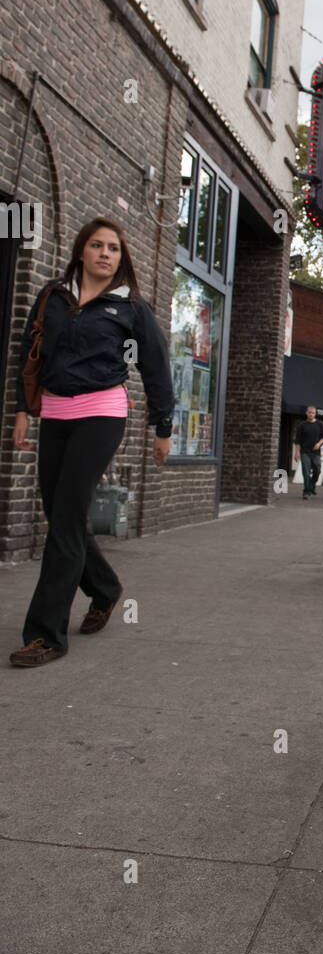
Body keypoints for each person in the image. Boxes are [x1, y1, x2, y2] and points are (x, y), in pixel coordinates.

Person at [10, 218, 174, 667]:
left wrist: (163, 428)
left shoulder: (130, 308)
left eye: (115, 248)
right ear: (81, 251)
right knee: (61, 512)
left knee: (64, 517)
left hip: (102, 414)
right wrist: (23, 410)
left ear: (122, 258)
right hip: (56, 414)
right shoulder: (53, 297)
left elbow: (156, 368)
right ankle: (104, 588)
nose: (106, 254)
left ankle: (46, 635)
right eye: (97, 245)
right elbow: (29, 353)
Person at [292, 405, 323, 500]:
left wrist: (319, 444)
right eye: (310, 412)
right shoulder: (302, 425)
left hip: (315, 452)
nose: (311, 414)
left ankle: (312, 485)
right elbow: (297, 441)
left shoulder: (320, 424)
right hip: (305, 452)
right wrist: (296, 453)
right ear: (306, 413)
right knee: (306, 472)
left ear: (315, 414)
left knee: (317, 470)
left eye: (313, 413)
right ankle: (306, 492)